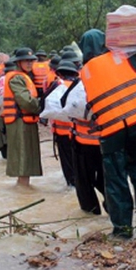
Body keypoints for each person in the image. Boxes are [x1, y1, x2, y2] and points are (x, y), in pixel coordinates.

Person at [79, 31, 136, 238]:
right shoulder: (126, 56)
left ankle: (122, 230)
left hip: (112, 130)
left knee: (116, 178)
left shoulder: (84, 72)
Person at [66, 28, 108, 215]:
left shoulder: (83, 72)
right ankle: (116, 209)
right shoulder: (113, 68)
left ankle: (91, 215)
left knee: (84, 180)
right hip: (109, 139)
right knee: (109, 177)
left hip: (83, 140)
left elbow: (70, 105)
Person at [2, 47, 42, 186]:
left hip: (25, 122)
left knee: (26, 160)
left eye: (31, 61)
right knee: (23, 160)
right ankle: (23, 189)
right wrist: (41, 106)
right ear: (19, 62)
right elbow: (26, 101)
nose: (30, 64)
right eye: (26, 61)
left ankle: (23, 190)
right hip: (20, 123)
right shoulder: (17, 78)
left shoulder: (25, 77)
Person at [48, 59, 78, 188]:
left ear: (59, 73)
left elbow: (45, 103)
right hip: (77, 132)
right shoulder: (80, 85)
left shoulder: (56, 85)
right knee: (78, 162)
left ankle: (70, 185)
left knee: (67, 163)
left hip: (61, 132)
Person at [0, 60, 16, 159]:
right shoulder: (15, 79)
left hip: (0, 113)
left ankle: (5, 156)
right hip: (13, 113)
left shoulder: (0, 80)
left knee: (2, 135)